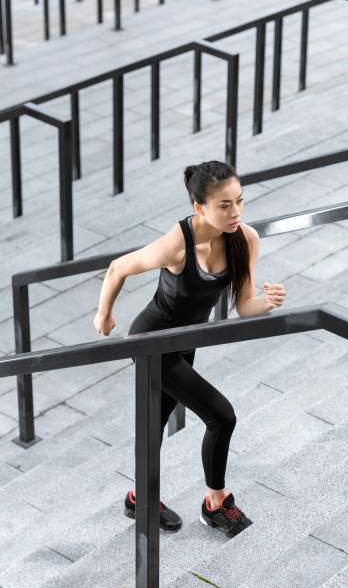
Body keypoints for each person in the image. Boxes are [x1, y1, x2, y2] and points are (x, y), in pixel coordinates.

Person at [93, 160, 286, 538]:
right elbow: (117, 267)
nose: (236, 212)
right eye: (225, 205)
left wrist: (269, 302)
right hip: (151, 342)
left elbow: (244, 304)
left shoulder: (245, 239)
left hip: (184, 342)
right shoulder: (177, 245)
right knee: (221, 416)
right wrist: (104, 315)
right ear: (200, 207)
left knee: (156, 422)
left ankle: (139, 498)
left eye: (239, 201)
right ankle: (216, 503)